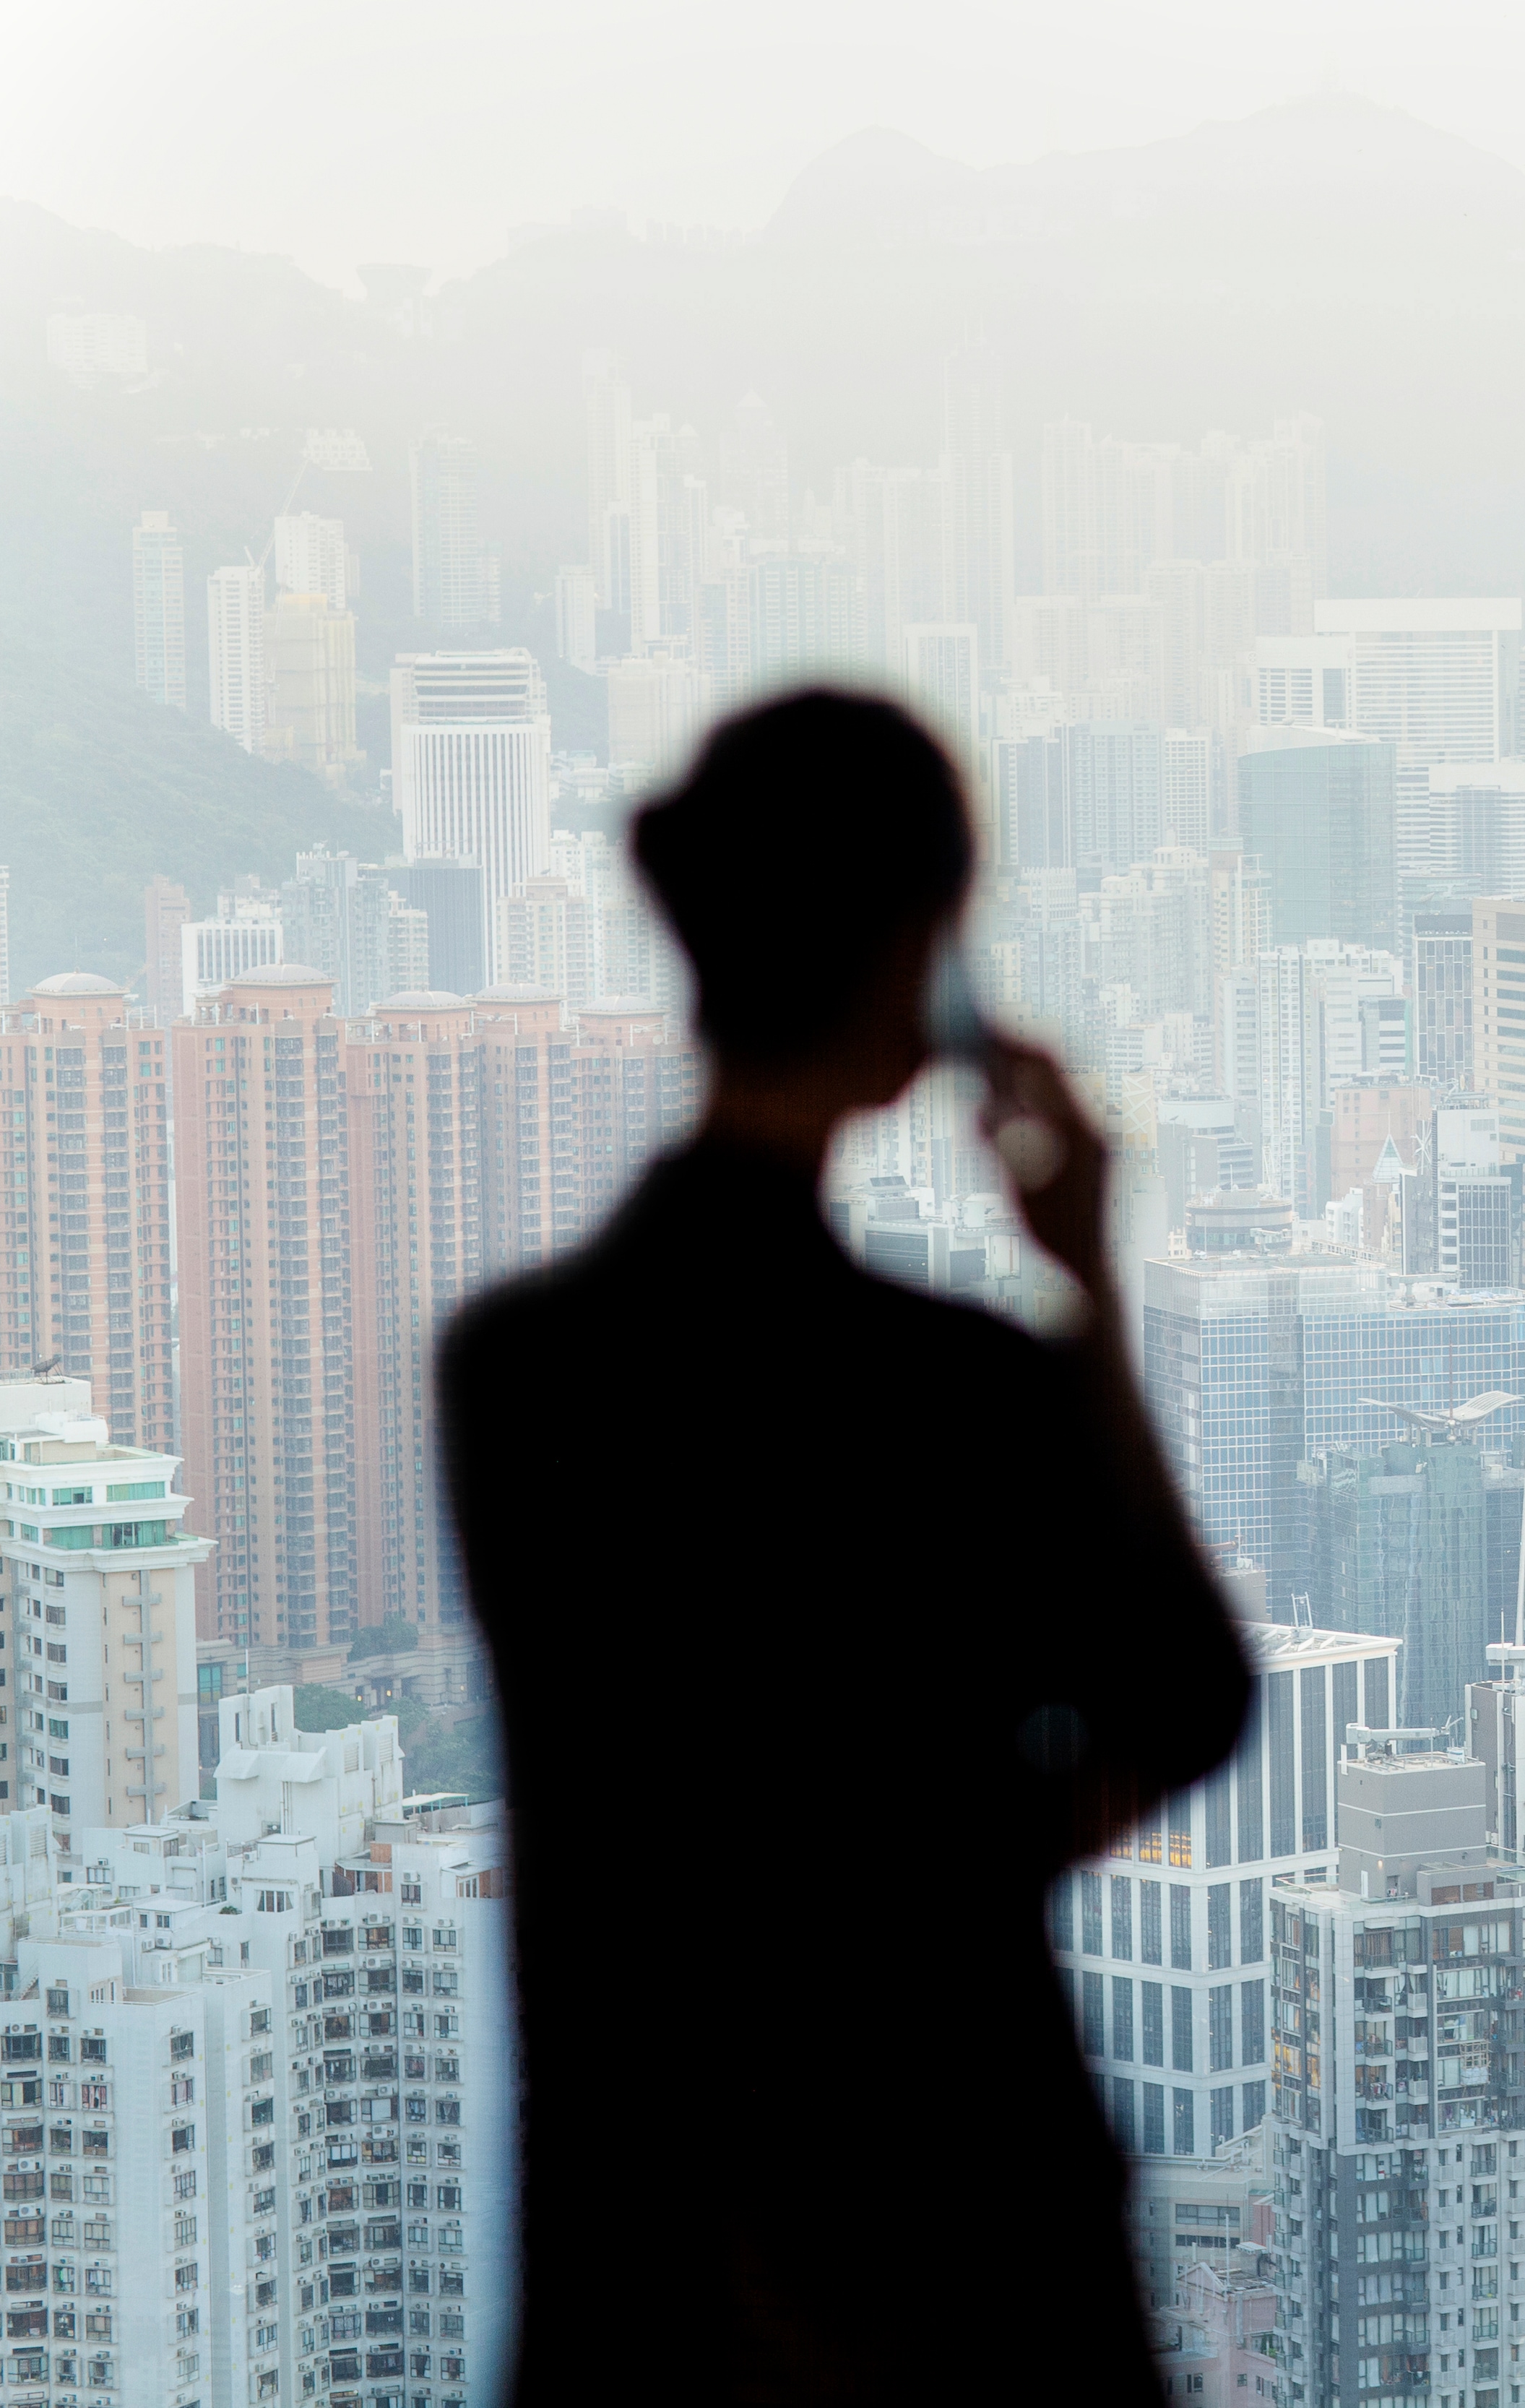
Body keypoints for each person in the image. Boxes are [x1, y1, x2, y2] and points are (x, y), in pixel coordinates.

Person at [441, 690, 1249, 2407]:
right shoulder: (960, 1390)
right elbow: (1189, 1691)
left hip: (644, 2290)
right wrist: (1087, 1282)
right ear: (917, 971)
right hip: (968, 2263)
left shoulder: (511, 1373)